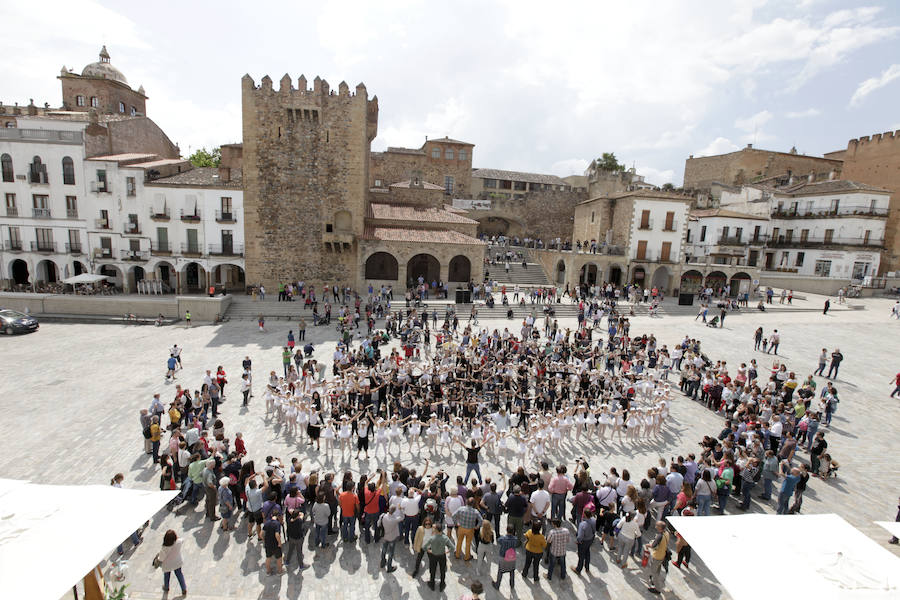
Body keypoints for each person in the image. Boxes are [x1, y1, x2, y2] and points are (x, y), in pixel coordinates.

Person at [425, 522, 455, 591]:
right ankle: (442, 584)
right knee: (442, 570)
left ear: (436, 530)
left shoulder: (432, 538)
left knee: (433, 570)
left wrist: (429, 551)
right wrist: (447, 551)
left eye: (434, 528)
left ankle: (432, 584)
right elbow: (452, 547)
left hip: (433, 556)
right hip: (442, 556)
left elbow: (424, 547)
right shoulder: (445, 538)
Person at [157, 529, 187, 595]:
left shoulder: (164, 548)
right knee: (179, 574)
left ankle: (166, 587)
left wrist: (157, 559)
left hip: (167, 564)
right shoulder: (178, 542)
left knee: (166, 576)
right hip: (177, 562)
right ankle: (184, 588)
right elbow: (183, 539)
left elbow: (161, 558)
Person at [494, 524, 520, 591]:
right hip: (512, 558)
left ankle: (497, 585)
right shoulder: (515, 539)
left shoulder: (503, 539)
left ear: (506, 530)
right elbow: (516, 544)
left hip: (503, 557)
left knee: (500, 571)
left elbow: (498, 540)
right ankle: (512, 585)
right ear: (513, 531)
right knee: (512, 571)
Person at [646, 520, 669, 594]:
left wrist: (648, 545)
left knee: (654, 572)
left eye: (657, 526)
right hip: (662, 555)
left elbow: (653, 546)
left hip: (657, 556)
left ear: (660, 528)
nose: (655, 527)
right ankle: (654, 579)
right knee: (657, 570)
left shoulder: (660, 536)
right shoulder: (666, 533)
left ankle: (657, 589)